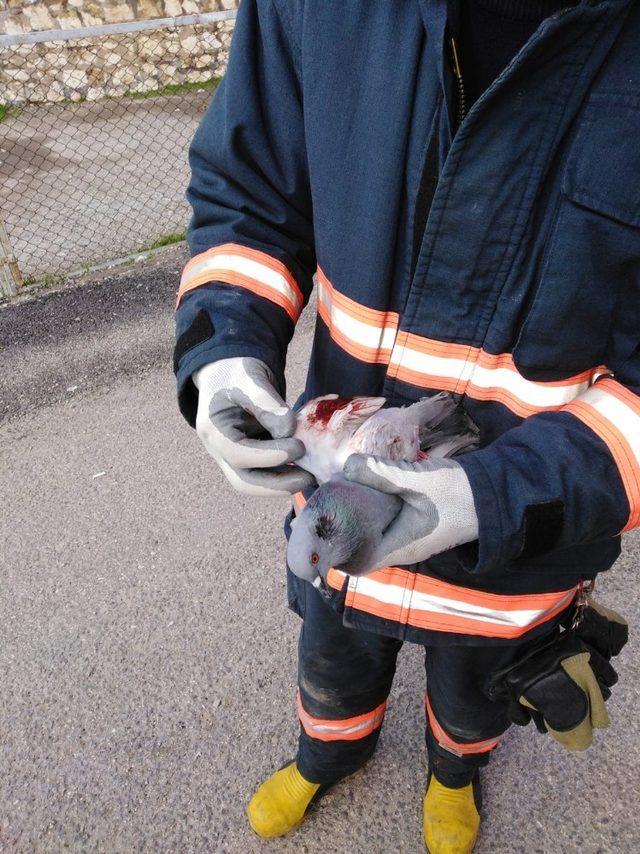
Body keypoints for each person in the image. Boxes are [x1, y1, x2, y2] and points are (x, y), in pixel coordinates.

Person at [173, 1, 639, 850]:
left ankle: (455, 775)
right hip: (347, 550)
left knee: (475, 695)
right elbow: (250, 191)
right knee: (331, 665)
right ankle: (328, 756)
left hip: (518, 540)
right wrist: (224, 347)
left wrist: (490, 497)